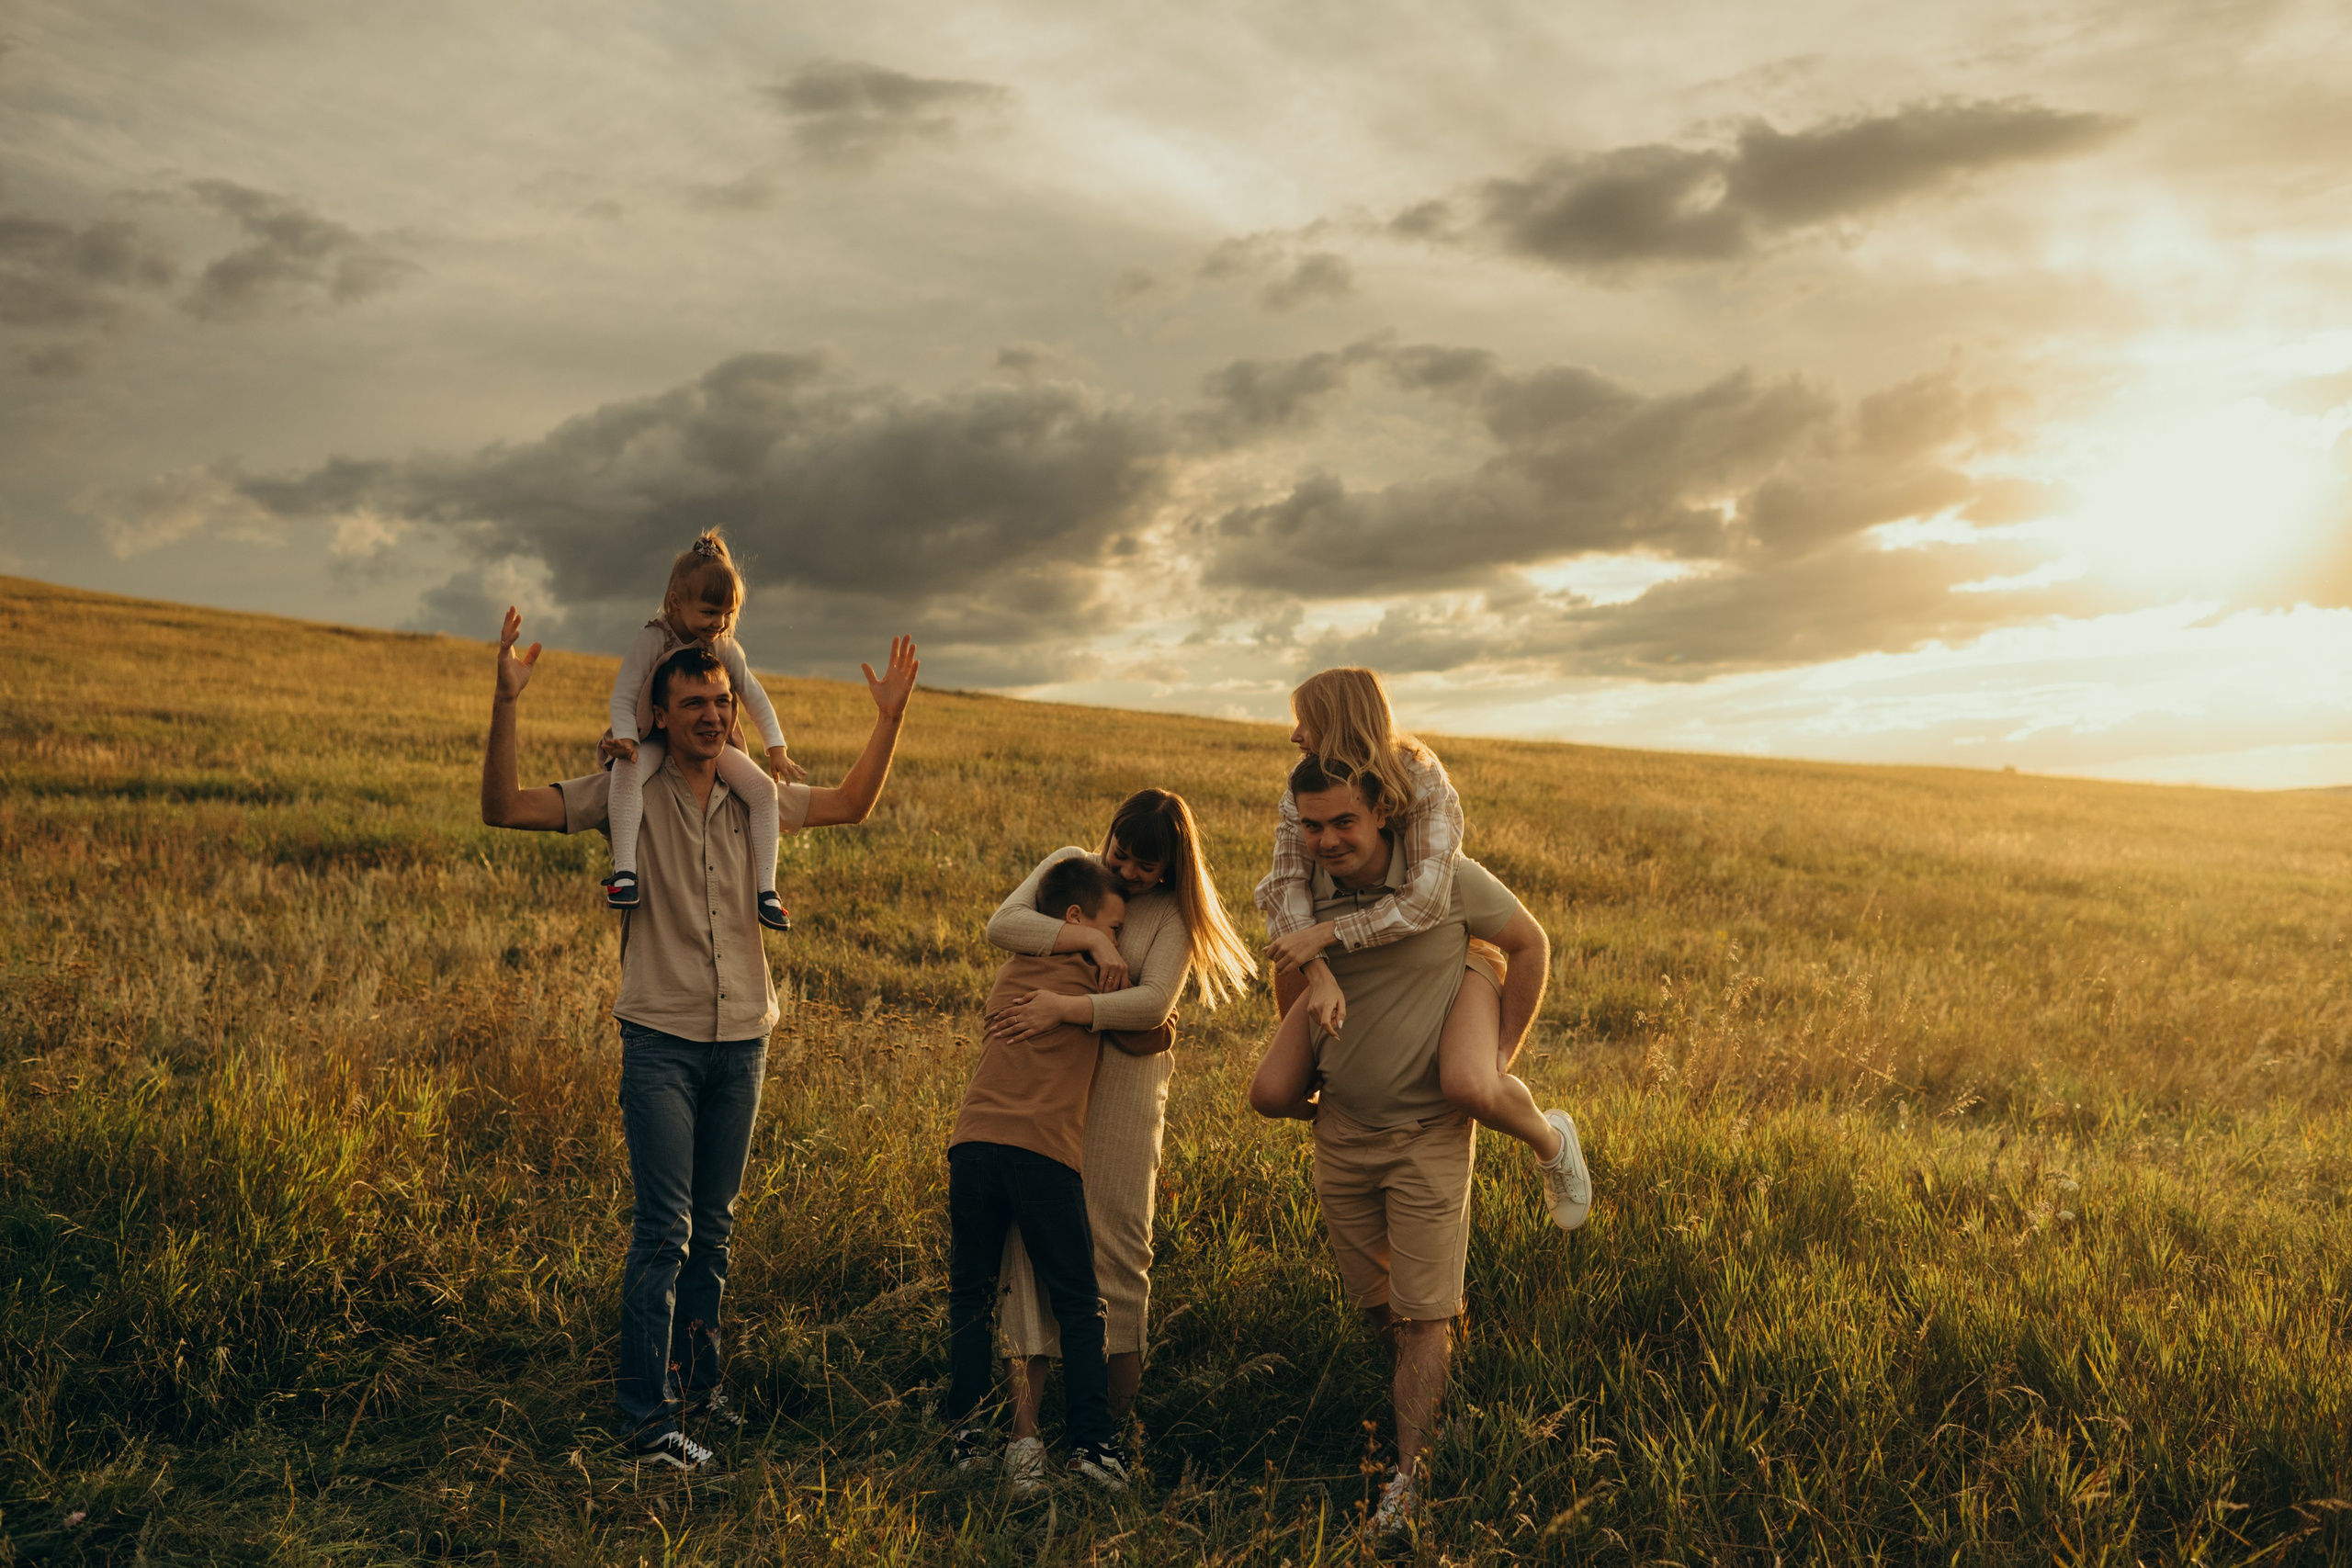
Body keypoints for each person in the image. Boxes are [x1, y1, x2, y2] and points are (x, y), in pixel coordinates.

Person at [481, 607, 918, 1472]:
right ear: (658, 713)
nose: (714, 716)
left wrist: (890, 719)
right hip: (661, 1040)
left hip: (744, 1037)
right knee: (664, 1231)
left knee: (712, 1230)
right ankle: (644, 1424)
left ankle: (696, 1385)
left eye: (722, 702)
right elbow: (501, 807)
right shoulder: (624, 790)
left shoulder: (753, 793)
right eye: (694, 706)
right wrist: (506, 704)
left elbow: (851, 804)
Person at [1246, 753, 1557, 1542]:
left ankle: (1409, 1478)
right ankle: (1430, 1414)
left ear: (1382, 811)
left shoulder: (1445, 881)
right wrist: (1313, 1019)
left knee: (1423, 1316)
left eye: (1342, 821)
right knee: (1379, 1306)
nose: (1325, 839)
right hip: (1342, 1131)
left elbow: (1530, 944)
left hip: (1427, 1138)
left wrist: (1499, 1061)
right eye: (1311, 825)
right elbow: (1290, 976)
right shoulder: (1303, 896)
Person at [1254, 667, 1589, 1231]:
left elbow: (1428, 902)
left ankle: (1553, 1142)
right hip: (1363, 953)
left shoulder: (1420, 774)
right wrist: (1318, 968)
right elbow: (1285, 888)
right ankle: (1343, 1114)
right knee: (1271, 1090)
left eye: (1303, 721)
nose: (1295, 736)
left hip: (1451, 947)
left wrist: (1502, 1052)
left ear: (1337, 722)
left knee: (1471, 1084)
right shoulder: (1303, 787)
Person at [981, 790, 1255, 1454]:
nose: (1126, 871)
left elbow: (1155, 1002)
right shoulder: (1072, 865)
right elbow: (1003, 924)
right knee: (1028, 1239)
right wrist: (1083, 936)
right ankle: (1025, 1435)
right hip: (1046, 1079)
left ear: (1171, 866)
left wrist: (1065, 1007)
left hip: (1125, 1090)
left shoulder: (1173, 916)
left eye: (1144, 864)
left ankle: (1108, 1433)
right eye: (1120, 853)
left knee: (1119, 1244)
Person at [944, 857, 1173, 1494]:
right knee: (1079, 1300)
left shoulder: (1013, 969)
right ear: (1075, 921)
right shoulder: (1094, 980)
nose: (1121, 939)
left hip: (972, 1144)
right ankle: (1095, 1446)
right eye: (1114, 925)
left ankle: (963, 1438)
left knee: (969, 1295)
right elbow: (1147, 1029)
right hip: (1042, 1153)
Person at [604, 530, 805, 931]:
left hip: (709, 741)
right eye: (711, 612)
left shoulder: (725, 646)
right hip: (651, 738)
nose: (720, 623)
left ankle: (766, 891)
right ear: (677, 602)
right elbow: (624, 693)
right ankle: (625, 874)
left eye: (728, 614)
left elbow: (754, 695)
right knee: (626, 775)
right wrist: (626, 738)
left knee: (764, 791)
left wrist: (775, 747)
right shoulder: (652, 639)